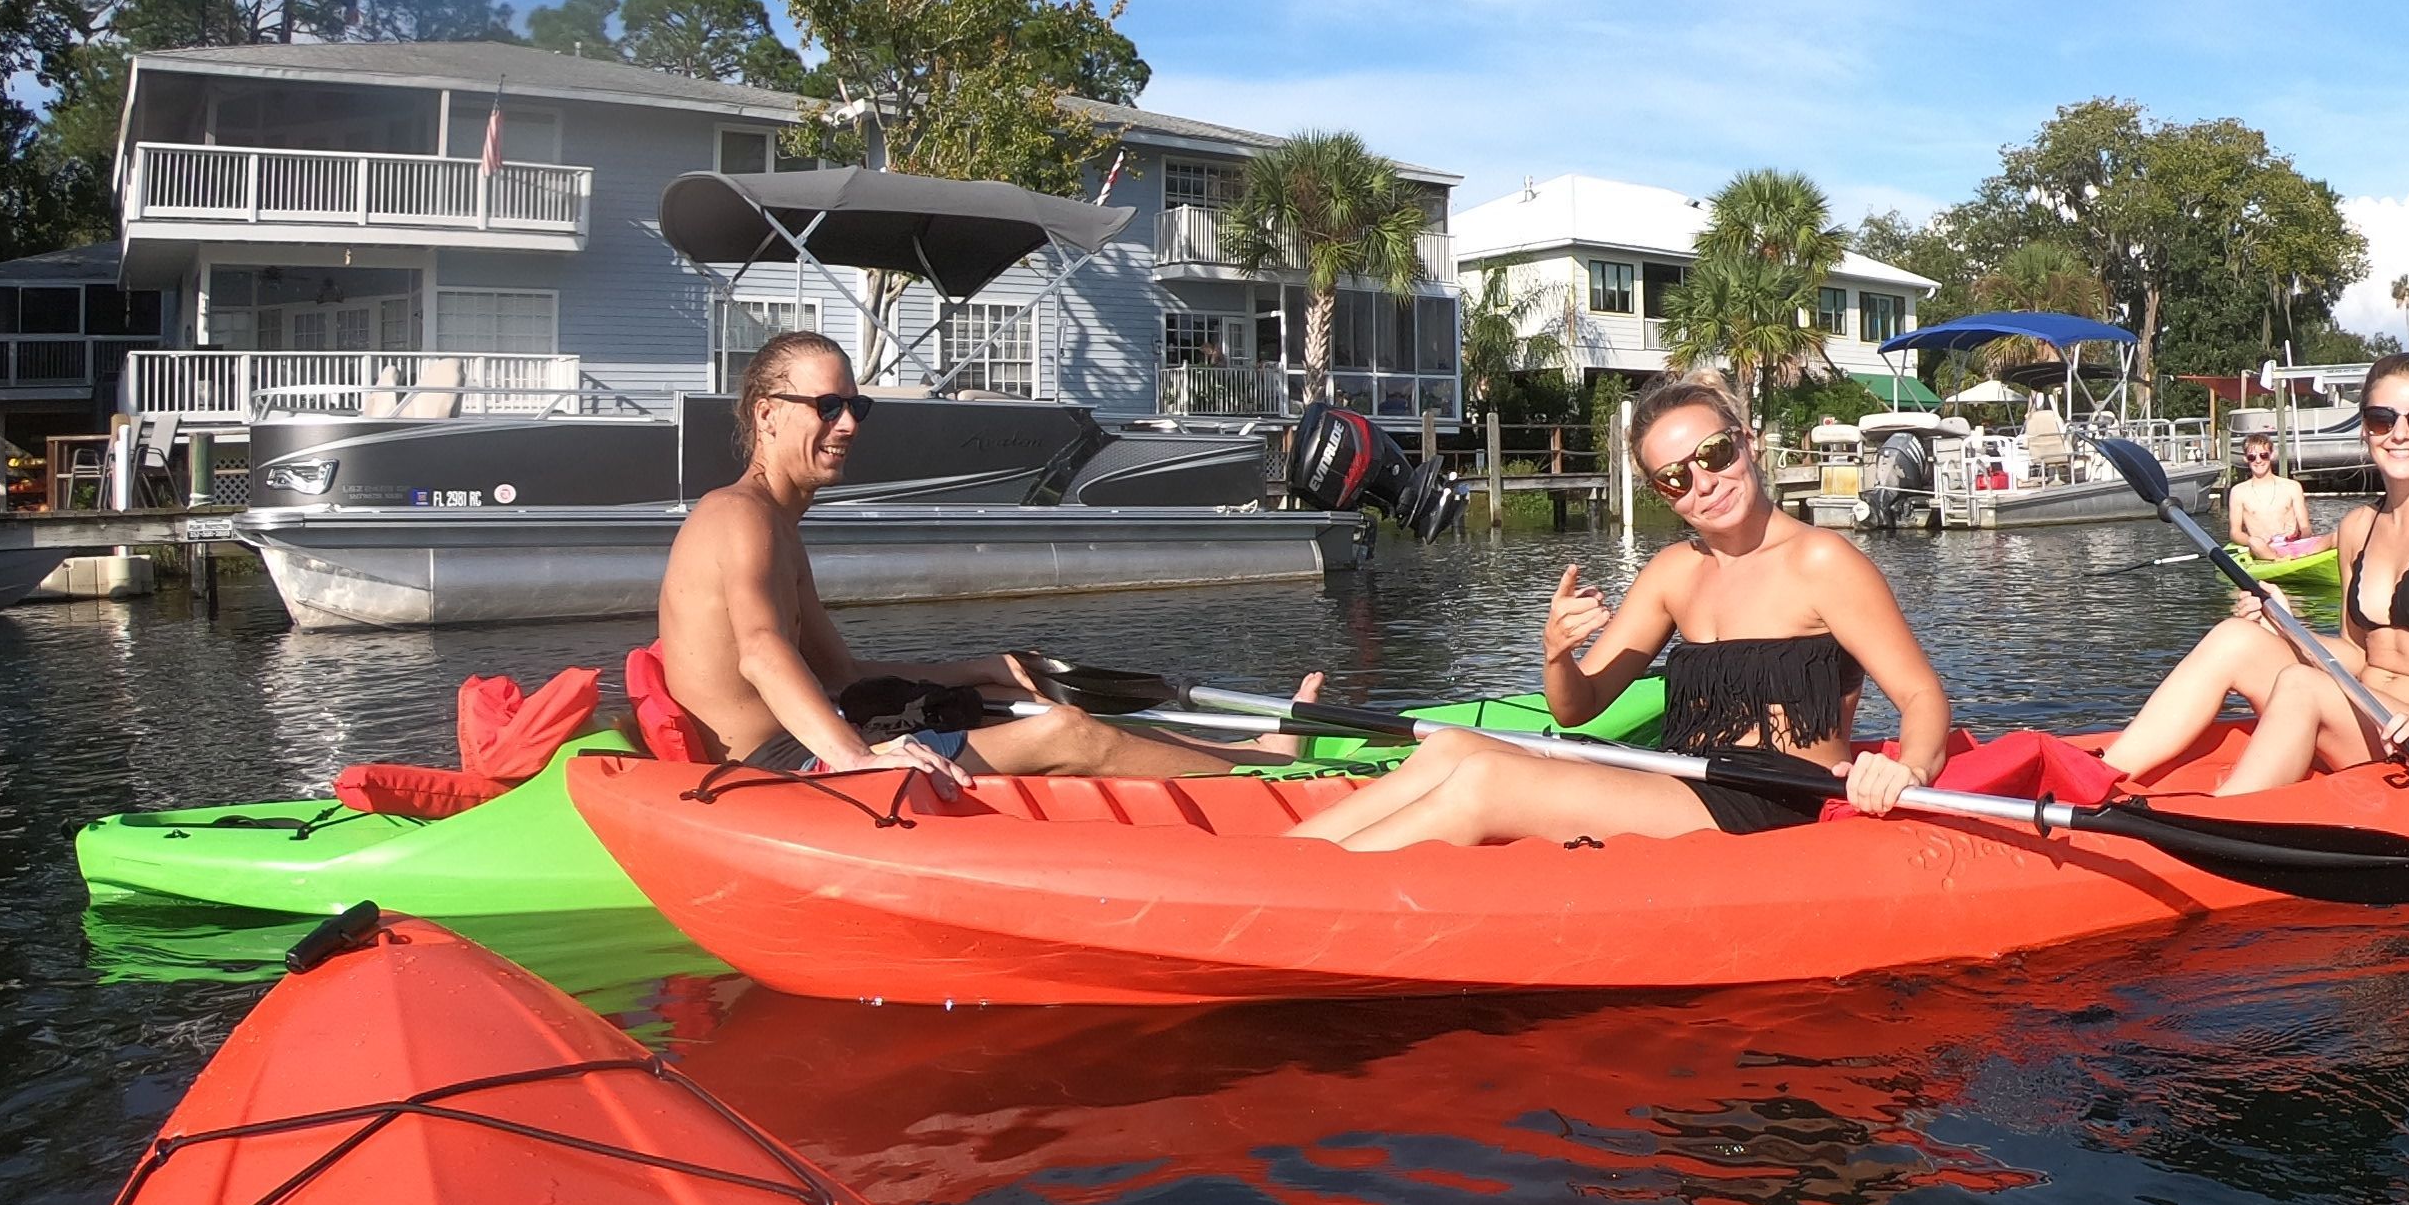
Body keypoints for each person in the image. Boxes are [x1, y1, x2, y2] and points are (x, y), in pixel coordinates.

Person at [1291, 377, 1950, 850]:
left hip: (1773, 800)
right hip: (1681, 776)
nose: (1704, 483)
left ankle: (1293, 895)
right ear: (1661, 491)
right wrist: (1557, 652)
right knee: (1451, 747)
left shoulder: (1823, 561)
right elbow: (1575, 708)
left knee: (1486, 781)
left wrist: (1909, 768)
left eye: (1715, 454)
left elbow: (1921, 696)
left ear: (1747, 443)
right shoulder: (1673, 572)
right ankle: (1280, 861)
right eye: (1675, 478)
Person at [656, 331, 1300, 784]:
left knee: (1010, 695)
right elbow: (761, 652)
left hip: (803, 743)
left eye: (856, 406)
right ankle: (1267, 786)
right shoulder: (741, 517)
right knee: (1068, 733)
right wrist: (858, 760)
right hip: (777, 769)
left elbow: (842, 673)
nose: (848, 423)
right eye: (827, 406)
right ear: (767, 415)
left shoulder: (775, 525)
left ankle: (1248, 751)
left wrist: (979, 667)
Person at [2102, 352, 2409, 797]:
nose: (2400, 434)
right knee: (2234, 636)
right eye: (2382, 419)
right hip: (2364, 713)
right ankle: (2101, 774)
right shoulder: (2356, 528)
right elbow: (2358, 655)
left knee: (2302, 685)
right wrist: (2286, 623)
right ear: (2365, 428)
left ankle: (2227, 810)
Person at [2225, 435, 2316, 555]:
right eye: (2252, 457)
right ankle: (2276, 558)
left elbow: (2305, 527)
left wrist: (2299, 536)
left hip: (2292, 545)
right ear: (2246, 459)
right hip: (2262, 550)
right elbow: (2235, 532)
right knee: (2259, 547)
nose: (2258, 460)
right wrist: (2252, 541)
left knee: (2335, 538)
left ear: (2271, 455)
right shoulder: (2238, 492)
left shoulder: (2293, 487)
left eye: (2263, 455)